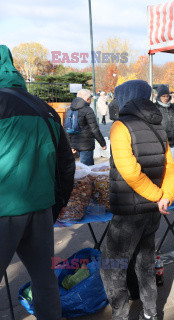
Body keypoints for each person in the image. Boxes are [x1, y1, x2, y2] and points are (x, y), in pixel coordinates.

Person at [0, 45, 75, 320]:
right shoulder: (44, 108)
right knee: (44, 279)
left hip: (5, 210)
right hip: (40, 210)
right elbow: (67, 166)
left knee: (45, 278)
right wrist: (55, 206)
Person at [102, 80, 174, 320]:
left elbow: (130, 172)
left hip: (130, 211)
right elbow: (170, 167)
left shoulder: (120, 126)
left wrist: (159, 196)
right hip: (153, 210)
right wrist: (165, 197)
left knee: (112, 266)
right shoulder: (159, 124)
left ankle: (121, 315)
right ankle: (150, 314)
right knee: (144, 264)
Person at [68, 89, 107, 166]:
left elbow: (67, 128)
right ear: (87, 99)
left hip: (75, 144)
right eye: (90, 99)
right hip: (86, 144)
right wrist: (102, 143)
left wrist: (70, 145)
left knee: (82, 169)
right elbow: (94, 129)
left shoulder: (70, 110)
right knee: (88, 171)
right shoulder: (88, 110)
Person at [155, 85, 174, 157]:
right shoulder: (155, 107)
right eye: (163, 96)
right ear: (159, 97)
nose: (166, 98)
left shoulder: (172, 107)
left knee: (170, 163)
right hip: (160, 141)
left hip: (171, 140)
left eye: (167, 96)